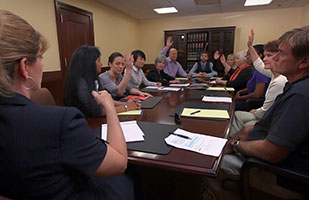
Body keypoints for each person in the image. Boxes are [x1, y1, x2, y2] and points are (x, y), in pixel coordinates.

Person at [0, 10, 134, 199]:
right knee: (129, 178)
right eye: (40, 57)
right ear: (24, 67)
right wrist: (111, 108)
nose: (42, 64)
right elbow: (120, 163)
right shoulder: (59, 121)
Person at [216, 26, 309, 199]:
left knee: (210, 165)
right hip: (265, 159)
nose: (273, 58)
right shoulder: (295, 85)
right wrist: (250, 131)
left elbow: (271, 152)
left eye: (280, 53)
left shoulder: (300, 95)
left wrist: (236, 146)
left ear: (303, 62)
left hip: (276, 173)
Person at [230, 38, 287, 137]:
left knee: (237, 116)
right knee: (236, 114)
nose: (264, 59)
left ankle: (230, 141)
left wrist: (256, 111)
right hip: (263, 114)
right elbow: (259, 65)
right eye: (264, 56)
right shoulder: (274, 74)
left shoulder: (279, 81)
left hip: (267, 120)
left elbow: (264, 112)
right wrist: (250, 46)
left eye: (269, 56)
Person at [63, 45, 141, 117]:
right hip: (87, 122)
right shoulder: (80, 83)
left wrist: (127, 103)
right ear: (89, 63)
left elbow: (107, 101)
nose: (101, 64)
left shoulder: (94, 78)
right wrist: (126, 107)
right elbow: (98, 112)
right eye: (98, 60)